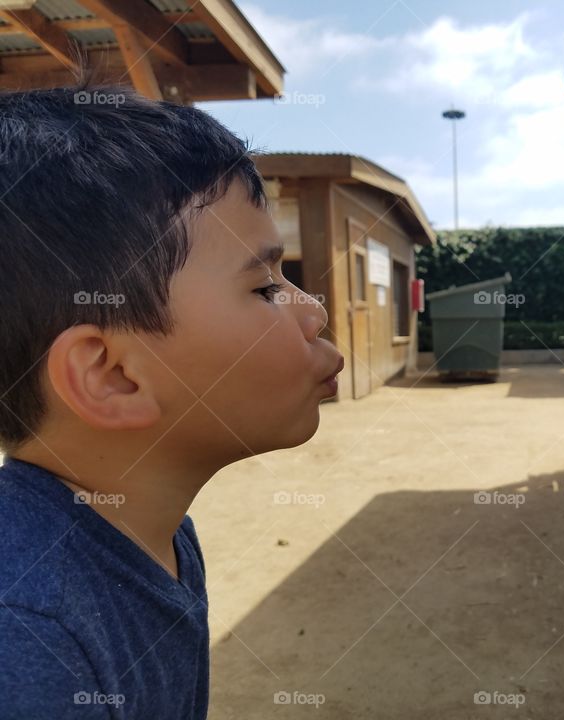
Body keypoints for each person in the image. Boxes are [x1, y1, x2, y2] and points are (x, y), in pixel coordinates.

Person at [0, 81, 343, 719]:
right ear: (112, 376)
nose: (314, 311)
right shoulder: (27, 646)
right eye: (265, 288)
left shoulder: (161, 534)